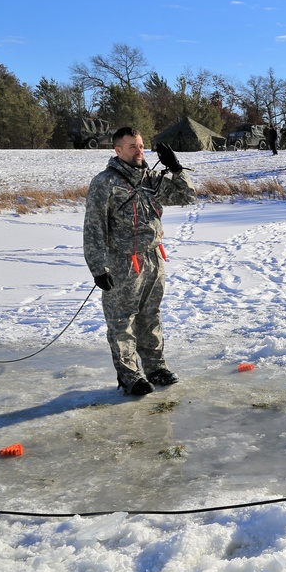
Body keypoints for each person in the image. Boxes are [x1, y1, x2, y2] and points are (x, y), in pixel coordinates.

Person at [84, 127, 197, 396]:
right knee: (122, 321)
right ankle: (129, 376)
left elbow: (187, 196)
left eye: (142, 145)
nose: (139, 151)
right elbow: (94, 227)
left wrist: (176, 168)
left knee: (151, 316)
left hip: (153, 258)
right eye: (132, 146)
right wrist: (98, 268)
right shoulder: (105, 183)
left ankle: (155, 368)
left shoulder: (151, 178)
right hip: (122, 261)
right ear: (118, 150)